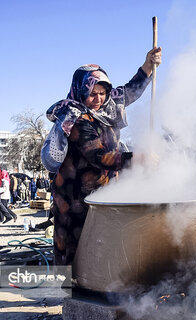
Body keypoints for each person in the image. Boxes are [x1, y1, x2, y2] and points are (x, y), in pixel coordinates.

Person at [46, 47, 162, 265]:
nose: (98, 99)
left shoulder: (106, 107)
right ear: (80, 91)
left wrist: (148, 66)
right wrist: (137, 159)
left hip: (99, 193)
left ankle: (96, 286)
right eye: (92, 94)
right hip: (74, 198)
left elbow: (129, 91)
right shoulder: (75, 118)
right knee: (75, 247)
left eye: (102, 93)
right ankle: (70, 294)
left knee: (100, 247)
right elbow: (98, 156)